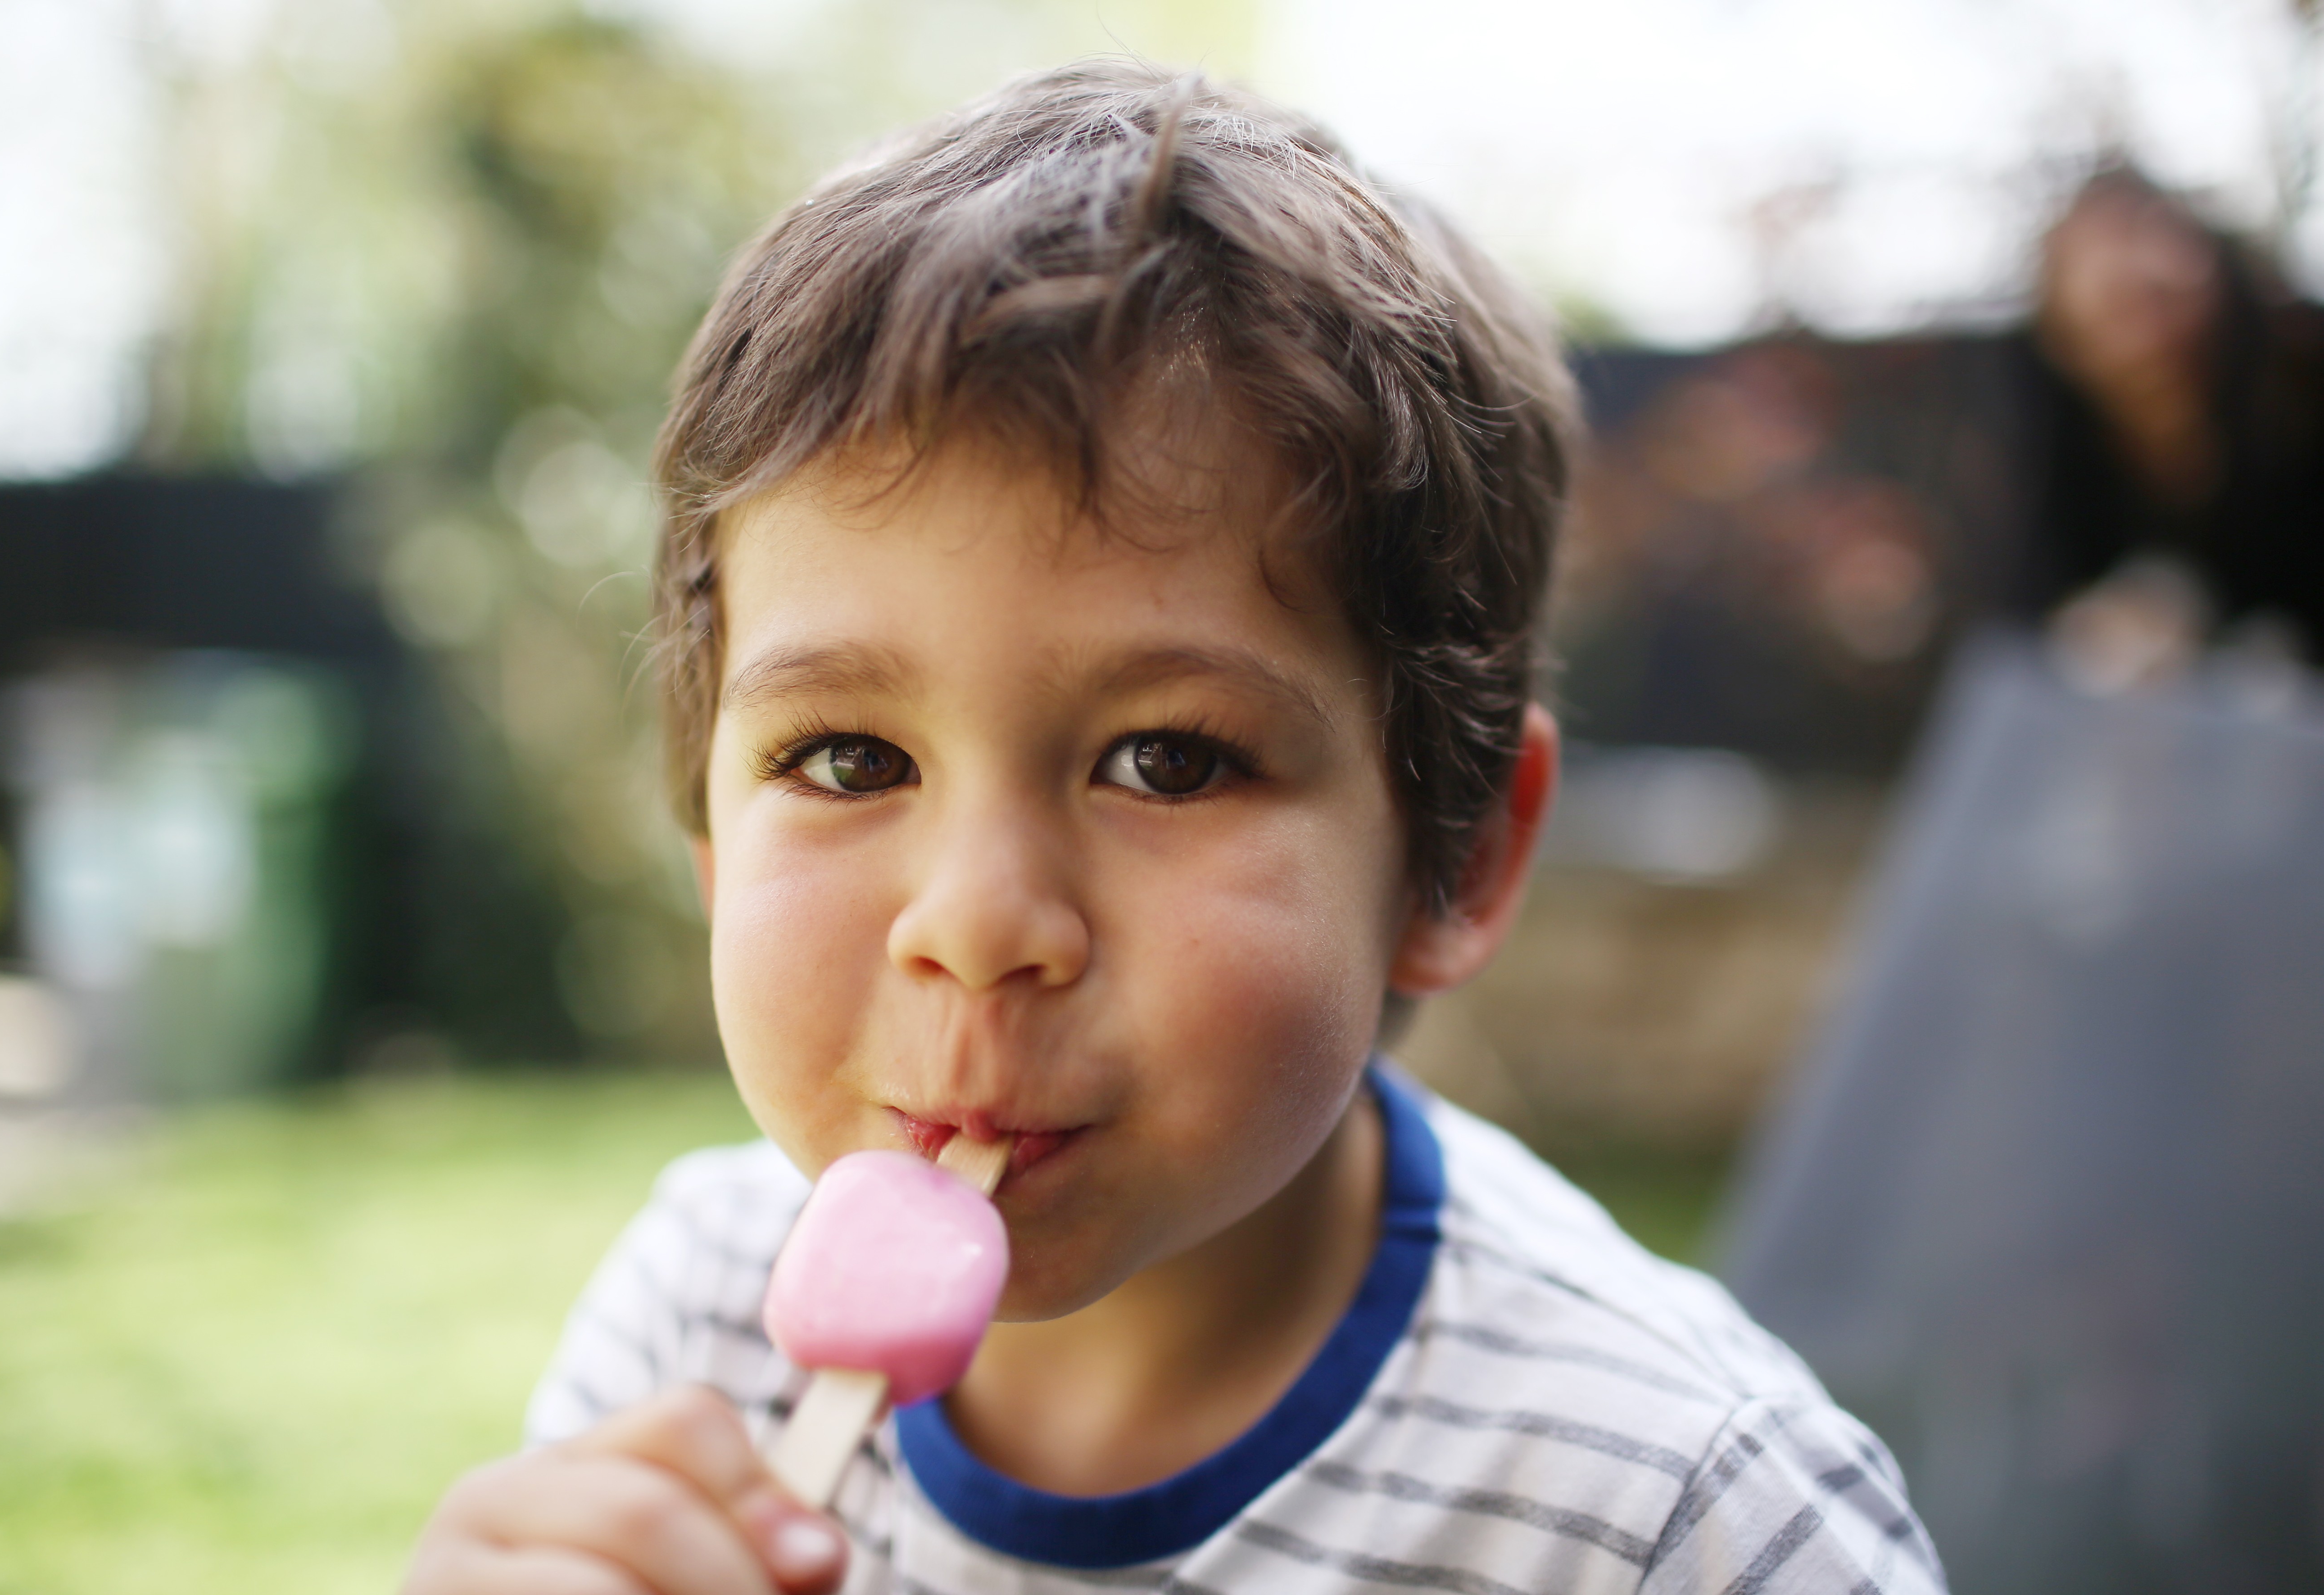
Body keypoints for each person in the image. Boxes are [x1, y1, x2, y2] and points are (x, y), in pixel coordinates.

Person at [402, 62, 1944, 1595]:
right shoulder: (694, 1330)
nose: (978, 922)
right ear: (713, 846)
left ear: (1455, 849)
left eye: (1166, 762)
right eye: (851, 755)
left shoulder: (1677, 1513)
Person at [2014, 166, 2324, 688]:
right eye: (2119, 308)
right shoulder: (2051, 443)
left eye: (2157, 299)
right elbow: (2042, 602)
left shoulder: (2300, 380)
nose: (2150, 334)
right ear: (2064, 343)